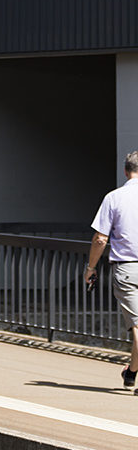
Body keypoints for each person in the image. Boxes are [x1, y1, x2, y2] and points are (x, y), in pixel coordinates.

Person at [86, 151, 138, 389]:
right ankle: (131, 373)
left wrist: (91, 267)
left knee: (137, 327)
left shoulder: (114, 197)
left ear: (126, 171)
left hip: (127, 269)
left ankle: (133, 373)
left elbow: (100, 239)